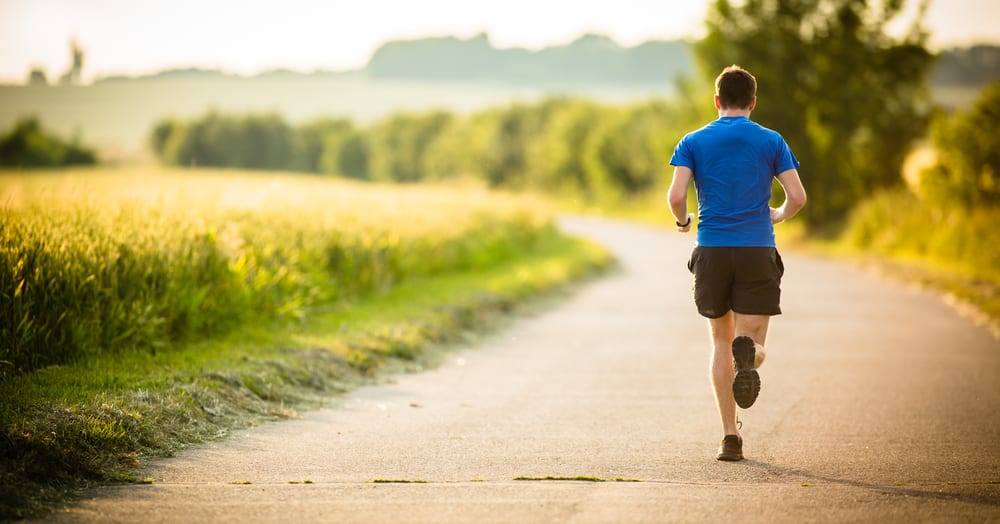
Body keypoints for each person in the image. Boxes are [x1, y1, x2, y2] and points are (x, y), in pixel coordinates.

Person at [667, 65, 807, 462]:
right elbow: (797, 197)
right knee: (753, 342)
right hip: (755, 249)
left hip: (711, 249)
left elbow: (677, 196)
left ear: (716, 101)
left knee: (719, 342)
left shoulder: (693, 140)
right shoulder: (771, 140)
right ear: (752, 101)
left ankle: (730, 437)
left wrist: (683, 223)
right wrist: (777, 214)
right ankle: (752, 357)